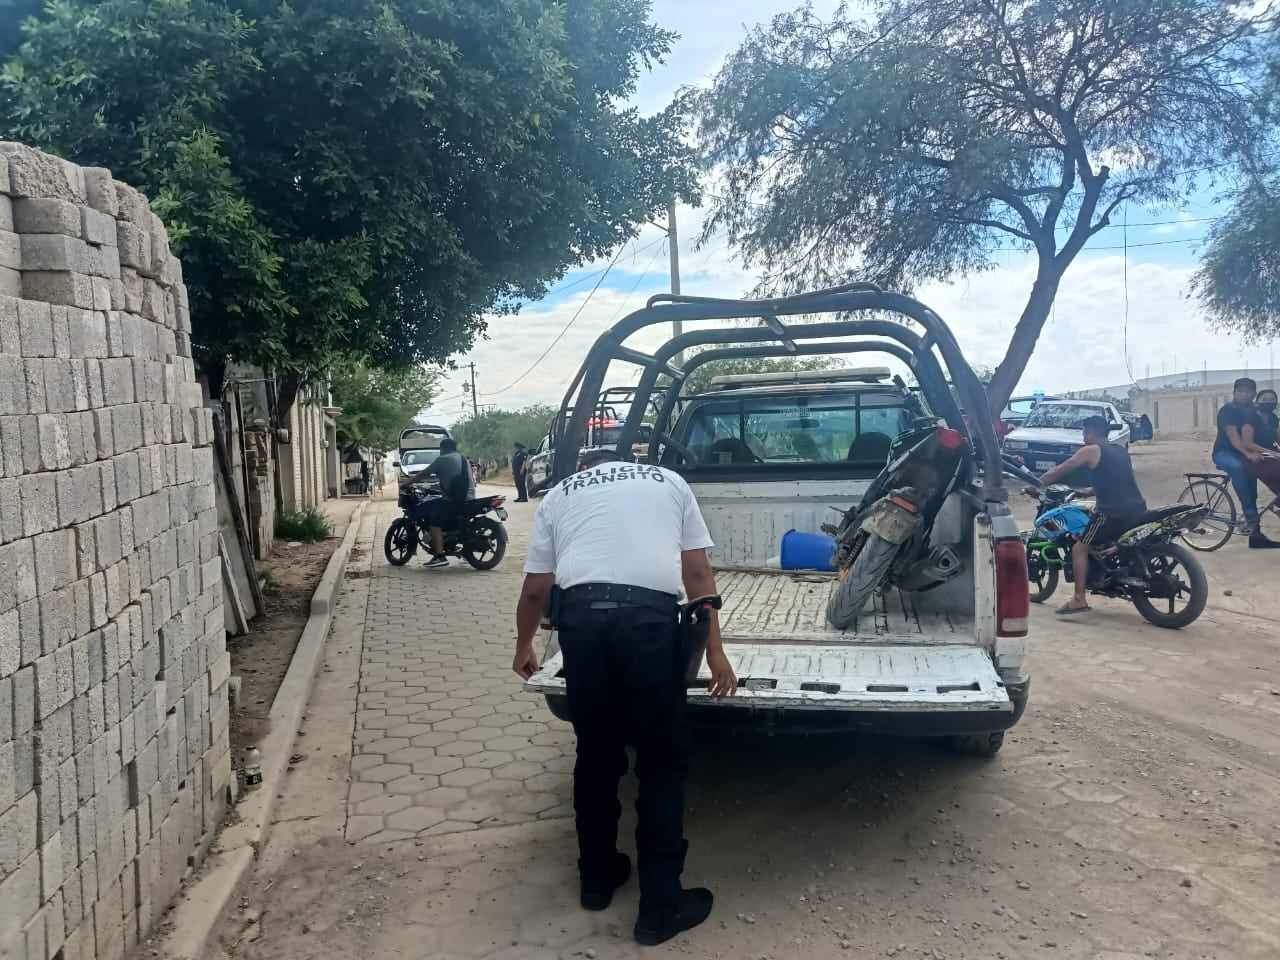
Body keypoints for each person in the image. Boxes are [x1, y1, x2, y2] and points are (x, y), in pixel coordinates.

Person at [513, 449, 737, 946]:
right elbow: (697, 577)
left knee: (596, 756)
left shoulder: (561, 493)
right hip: (649, 626)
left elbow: (535, 590)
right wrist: (716, 652)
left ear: (588, 469)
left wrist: (524, 645)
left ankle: (596, 880)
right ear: (631, 464)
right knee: (660, 763)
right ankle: (659, 908)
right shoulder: (669, 482)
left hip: (583, 626)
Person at [1038, 416, 1148, 616]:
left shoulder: (1090, 450)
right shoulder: (1121, 451)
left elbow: (1061, 469)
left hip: (1112, 514)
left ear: (1091, 432)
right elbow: (1115, 481)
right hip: (1138, 509)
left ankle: (1079, 599)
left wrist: (1037, 483)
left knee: (1079, 547)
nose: (1082, 437)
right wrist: (1087, 491)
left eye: (1084, 433)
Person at [1212, 377, 1280, 548]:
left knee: (1263, 475)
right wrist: (1247, 453)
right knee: (1240, 468)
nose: (1245, 394)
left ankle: (1256, 537)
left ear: (1253, 394)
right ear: (1234, 392)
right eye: (1241, 391)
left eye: (1249, 391)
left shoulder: (1254, 412)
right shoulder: (1227, 411)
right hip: (1225, 452)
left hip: (1248, 452)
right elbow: (1235, 438)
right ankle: (1250, 516)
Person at [422, 438, 474, 567]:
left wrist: (408, 482)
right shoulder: (462, 458)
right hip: (469, 498)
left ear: (443, 448)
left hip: (456, 500)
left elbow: (424, 473)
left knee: (435, 522)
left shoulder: (443, 459)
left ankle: (439, 556)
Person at [1244, 387, 1280, 503]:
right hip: (1253, 457)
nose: (1269, 402)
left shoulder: (1273, 418)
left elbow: (1276, 439)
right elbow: (1248, 443)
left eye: (1272, 399)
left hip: (1270, 457)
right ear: (1257, 401)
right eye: (1265, 399)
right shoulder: (1250, 418)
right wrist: (1272, 453)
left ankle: (1276, 504)